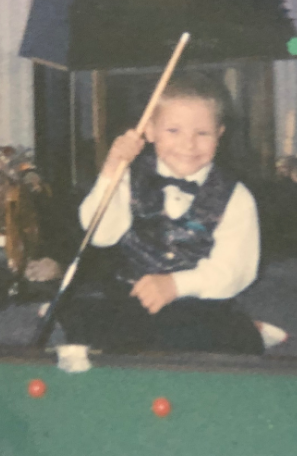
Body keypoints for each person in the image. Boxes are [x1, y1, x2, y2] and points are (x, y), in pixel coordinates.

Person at [55, 71, 265, 355]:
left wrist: (177, 285)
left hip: (199, 302)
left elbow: (236, 270)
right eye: (173, 131)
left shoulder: (236, 197)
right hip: (131, 298)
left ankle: (250, 329)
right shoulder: (131, 178)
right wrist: (111, 171)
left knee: (203, 344)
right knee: (103, 339)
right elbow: (100, 235)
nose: (188, 144)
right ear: (150, 131)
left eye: (202, 133)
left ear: (219, 134)